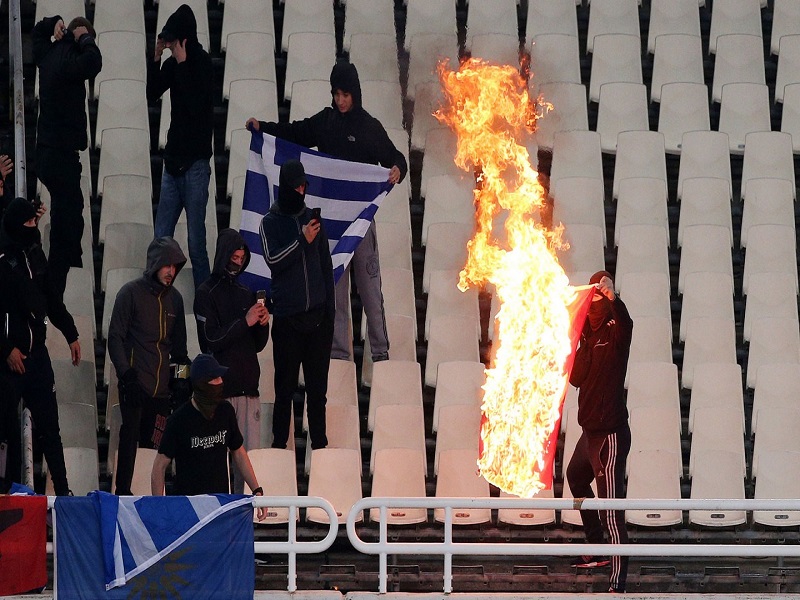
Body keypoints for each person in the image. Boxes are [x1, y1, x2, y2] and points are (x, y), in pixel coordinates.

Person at [246, 60, 407, 363]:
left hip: (360, 224)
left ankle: (382, 355)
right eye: (336, 94)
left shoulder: (369, 127)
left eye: (345, 95)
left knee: (371, 289)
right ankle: (340, 356)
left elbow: (394, 156)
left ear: (355, 94)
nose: (340, 101)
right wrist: (262, 129)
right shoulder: (325, 122)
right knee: (335, 289)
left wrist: (400, 168)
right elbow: (294, 133)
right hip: (330, 224)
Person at [0, 198, 81, 496]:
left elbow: (51, 298)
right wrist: (6, 349)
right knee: (5, 430)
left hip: (37, 358)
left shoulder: (36, 254)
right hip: (9, 361)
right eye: (29, 223)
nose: (33, 228)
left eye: (35, 223)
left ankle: (62, 492)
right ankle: (4, 491)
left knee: (51, 429)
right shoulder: (2, 258)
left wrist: (71, 333)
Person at [258, 160, 335, 451]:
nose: (301, 191)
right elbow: (273, 261)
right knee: (284, 391)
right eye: (297, 186)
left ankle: (321, 452)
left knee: (318, 394)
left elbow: (326, 268)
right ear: (286, 186)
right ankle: (279, 449)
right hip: (288, 321)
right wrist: (302, 240)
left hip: (318, 322)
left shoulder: (313, 220)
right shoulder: (269, 222)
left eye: (304, 186)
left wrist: (330, 313)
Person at [566, 270, 634, 594]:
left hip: (611, 436)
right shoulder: (587, 336)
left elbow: (628, 325)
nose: (593, 300)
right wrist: (578, 337)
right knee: (575, 478)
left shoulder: (615, 329)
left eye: (598, 295)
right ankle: (596, 546)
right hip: (589, 433)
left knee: (611, 507)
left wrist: (612, 297)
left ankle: (617, 582)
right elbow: (576, 378)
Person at [107, 236, 191, 496]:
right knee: (129, 439)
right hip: (135, 385)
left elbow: (180, 352)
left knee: (158, 447)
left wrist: (181, 381)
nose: (171, 271)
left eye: (175, 266)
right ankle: (123, 493)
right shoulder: (130, 293)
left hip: (162, 392)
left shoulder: (175, 300)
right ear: (154, 264)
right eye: (167, 265)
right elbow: (114, 338)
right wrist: (127, 375)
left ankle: (153, 496)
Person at [194, 228, 270, 493]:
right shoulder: (206, 292)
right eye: (234, 257)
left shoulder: (245, 291)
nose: (237, 262)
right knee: (218, 464)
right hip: (220, 393)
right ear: (224, 256)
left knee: (249, 464)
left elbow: (257, 344)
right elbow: (209, 342)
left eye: (241, 257)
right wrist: (245, 321)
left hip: (249, 391)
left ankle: (244, 516)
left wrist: (262, 324)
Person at [32, 14, 102, 299]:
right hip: (61, 156)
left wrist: (54, 23)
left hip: (46, 153)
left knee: (71, 214)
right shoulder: (72, 61)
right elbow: (94, 61)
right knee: (67, 223)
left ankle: (70, 267)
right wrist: (83, 38)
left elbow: (37, 31)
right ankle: (56, 288)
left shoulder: (47, 54)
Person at [147, 3, 213, 290]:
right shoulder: (173, 64)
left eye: (173, 44)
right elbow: (152, 92)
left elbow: (198, 109)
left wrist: (184, 65)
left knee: (196, 244)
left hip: (196, 165)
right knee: (161, 240)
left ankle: (208, 309)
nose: (171, 48)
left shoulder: (203, 64)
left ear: (185, 40)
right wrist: (156, 57)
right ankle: (152, 299)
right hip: (173, 165)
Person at [151, 354, 267, 518]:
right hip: (188, 509)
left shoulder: (225, 411)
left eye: (220, 376)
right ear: (201, 384)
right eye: (215, 378)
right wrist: (159, 507)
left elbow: (239, 452)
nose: (221, 381)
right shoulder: (179, 420)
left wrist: (256, 489)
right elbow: (159, 465)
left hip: (218, 507)